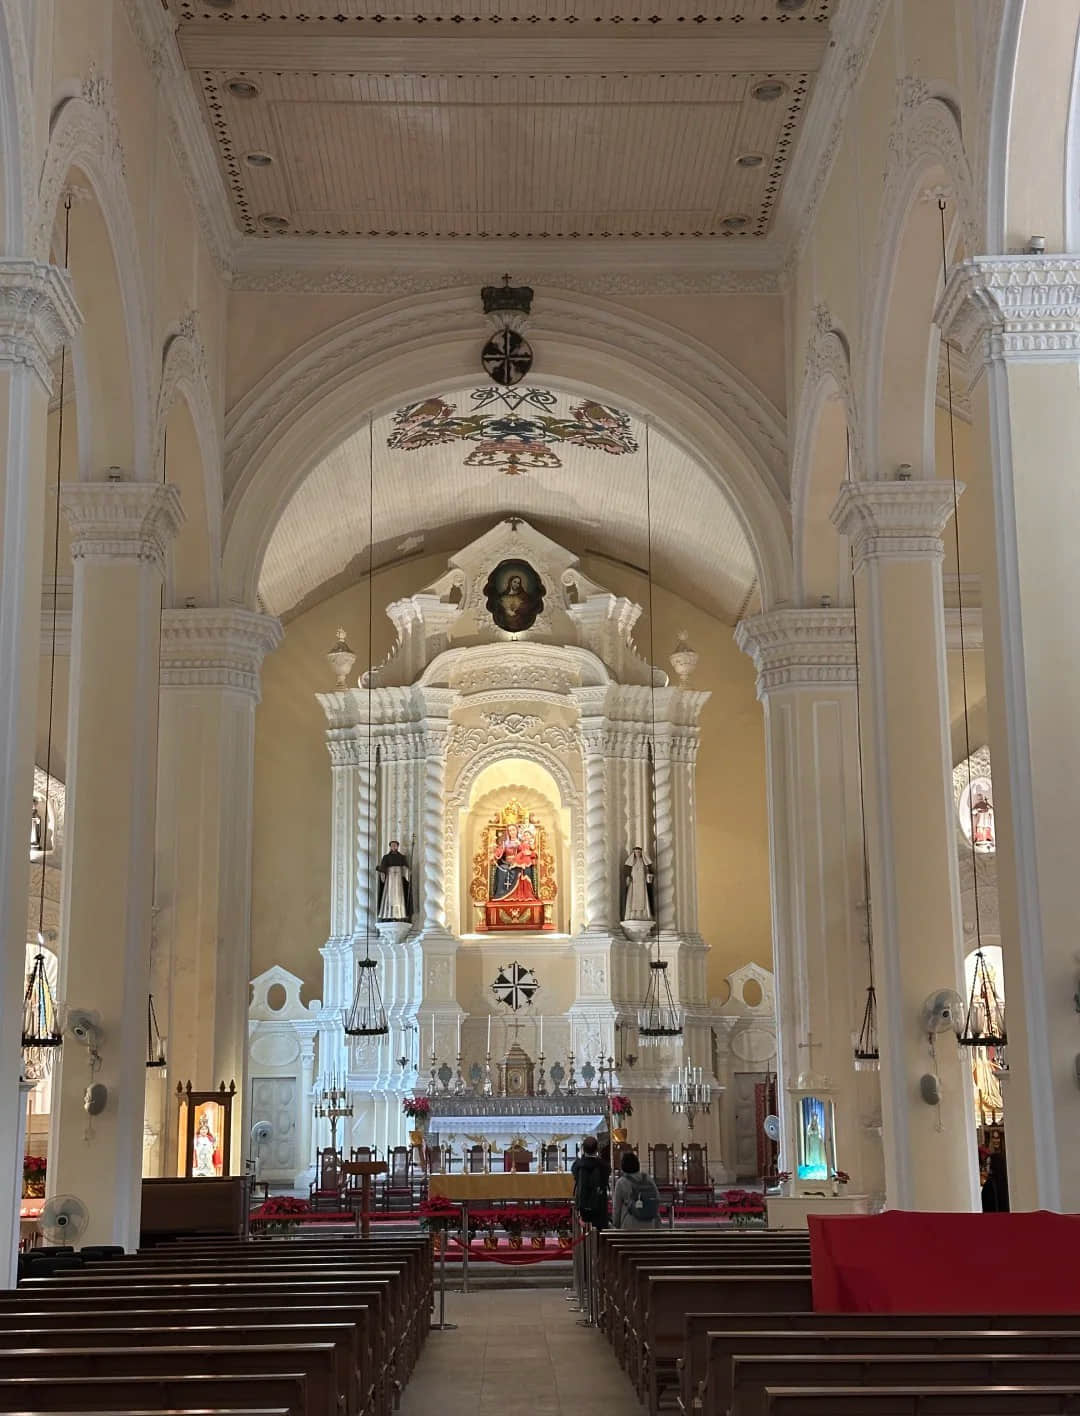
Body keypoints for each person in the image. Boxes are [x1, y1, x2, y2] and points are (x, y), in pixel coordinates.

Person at [612, 1150, 661, 1230]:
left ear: (623, 1166)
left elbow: (617, 1207)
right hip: (650, 1224)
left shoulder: (621, 1182)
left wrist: (616, 1224)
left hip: (630, 1225)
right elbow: (657, 1198)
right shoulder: (648, 1178)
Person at [571, 1134, 609, 1230]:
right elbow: (605, 1180)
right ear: (597, 1149)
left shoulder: (577, 1165)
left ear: (583, 1149)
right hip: (599, 1204)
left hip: (583, 1204)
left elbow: (575, 1175)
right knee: (600, 1231)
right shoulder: (604, 1165)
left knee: (584, 1234)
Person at [376, 840, 412, 920]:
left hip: (398, 879)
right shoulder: (386, 857)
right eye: (392, 845)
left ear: (397, 846)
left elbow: (406, 867)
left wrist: (407, 870)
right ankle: (388, 914)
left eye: (395, 845)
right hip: (390, 879)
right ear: (390, 847)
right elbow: (383, 868)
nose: (394, 847)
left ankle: (399, 914)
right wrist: (381, 871)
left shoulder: (402, 857)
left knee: (399, 895)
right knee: (389, 895)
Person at [622, 846, 654, 921]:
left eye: (639, 852)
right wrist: (628, 877)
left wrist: (648, 876)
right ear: (634, 853)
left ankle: (642, 915)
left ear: (641, 853)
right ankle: (633, 914)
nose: (637, 854)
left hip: (642, 883)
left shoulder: (644, 861)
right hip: (634, 883)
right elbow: (627, 871)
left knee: (642, 898)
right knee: (633, 899)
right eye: (636, 852)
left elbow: (648, 871)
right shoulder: (631, 861)